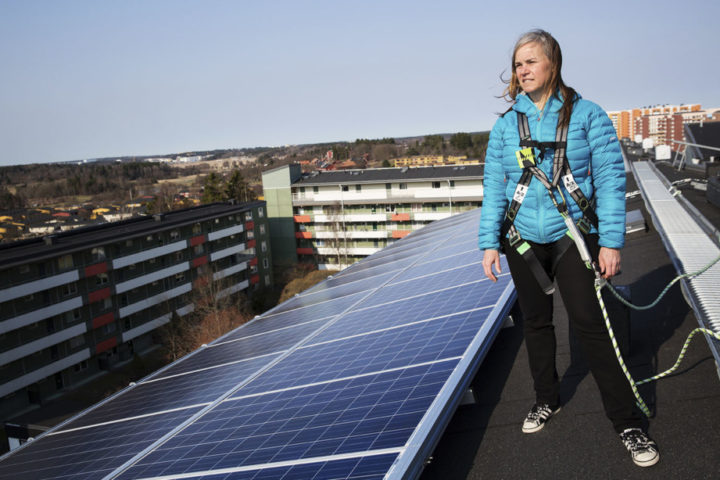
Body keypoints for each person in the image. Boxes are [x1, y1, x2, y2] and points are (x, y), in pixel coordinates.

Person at [477, 29, 659, 468]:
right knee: (536, 325)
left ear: (552, 65)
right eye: (517, 64)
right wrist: (489, 244)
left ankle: (627, 422)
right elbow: (494, 189)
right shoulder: (505, 126)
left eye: (530, 62)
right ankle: (547, 399)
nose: (522, 70)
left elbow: (613, 182)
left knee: (591, 326)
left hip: (572, 236)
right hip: (522, 240)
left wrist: (611, 242)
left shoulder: (587, 116)